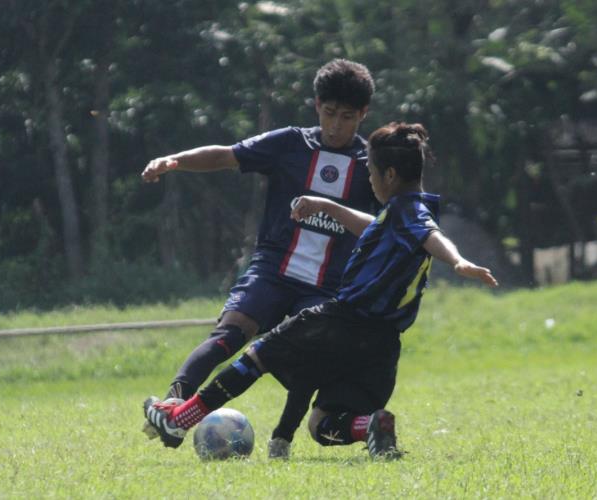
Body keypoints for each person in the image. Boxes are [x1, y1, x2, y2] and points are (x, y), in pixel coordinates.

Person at [143, 122, 498, 459]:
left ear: (390, 175)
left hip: (341, 320)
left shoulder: (412, 215)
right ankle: (369, 426)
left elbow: (431, 235)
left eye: (372, 173)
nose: (370, 180)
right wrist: (326, 204)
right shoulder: (400, 212)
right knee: (322, 423)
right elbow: (375, 227)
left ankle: (178, 420)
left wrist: (458, 261)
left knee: (256, 358)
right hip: (382, 345)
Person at [140, 59, 378, 453]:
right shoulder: (290, 143)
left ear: (364, 114)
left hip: (327, 286)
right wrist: (177, 161)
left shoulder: (370, 163)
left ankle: (282, 439)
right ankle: (174, 404)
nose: (336, 125)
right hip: (273, 269)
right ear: (317, 105)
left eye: (348, 117)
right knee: (230, 334)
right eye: (329, 113)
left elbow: (384, 223)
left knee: (306, 363)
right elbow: (227, 154)